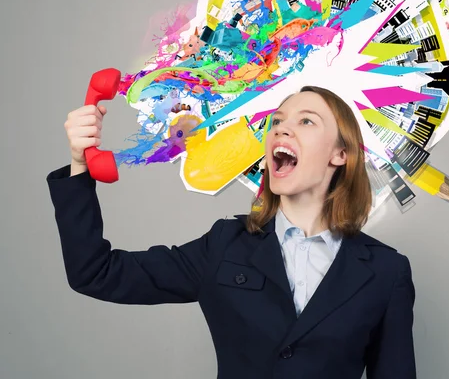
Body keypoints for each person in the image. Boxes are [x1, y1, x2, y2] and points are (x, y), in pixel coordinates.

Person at [48, 85, 416, 378]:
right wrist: (81, 166)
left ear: (341, 155)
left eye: (306, 121)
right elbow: (96, 273)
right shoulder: (225, 244)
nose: (282, 128)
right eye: (277, 121)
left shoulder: (386, 271)